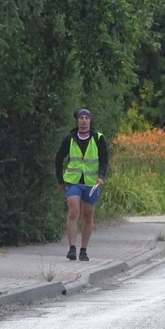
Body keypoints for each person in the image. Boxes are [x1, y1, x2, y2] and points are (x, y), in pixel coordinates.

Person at [54, 109, 109, 262]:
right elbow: (59, 159)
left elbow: (104, 160)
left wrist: (101, 176)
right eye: (81, 118)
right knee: (73, 212)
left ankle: (83, 250)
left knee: (87, 215)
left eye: (86, 118)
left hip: (91, 183)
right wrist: (60, 180)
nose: (84, 121)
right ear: (77, 121)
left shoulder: (98, 138)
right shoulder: (70, 138)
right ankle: (72, 248)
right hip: (73, 181)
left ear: (90, 121)